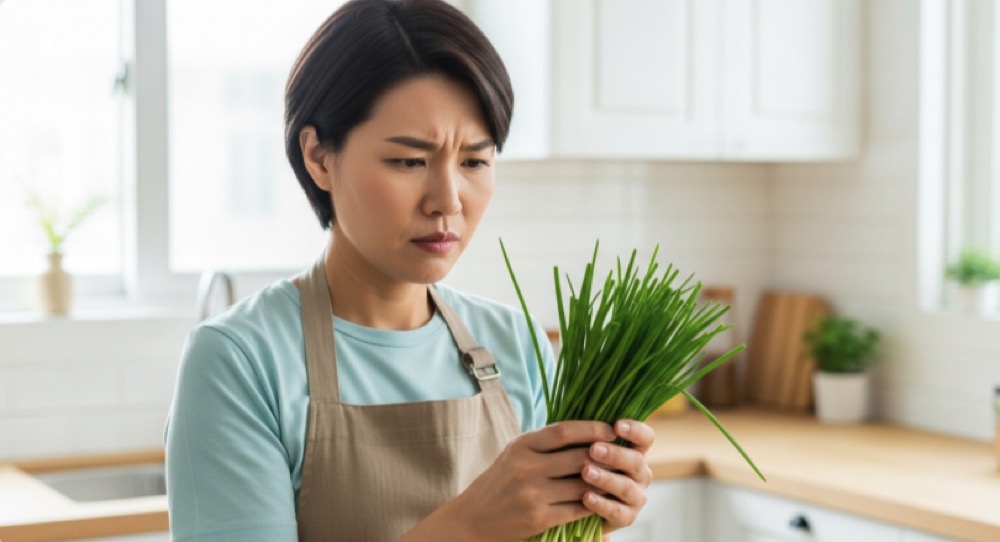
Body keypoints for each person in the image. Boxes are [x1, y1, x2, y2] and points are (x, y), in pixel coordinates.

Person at [164, 0, 655, 540]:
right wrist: (470, 525)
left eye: (474, 161)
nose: (447, 200)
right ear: (319, 157)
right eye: (409, 161)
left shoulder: (515, 341)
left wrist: (588, 506)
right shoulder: (239, 361)